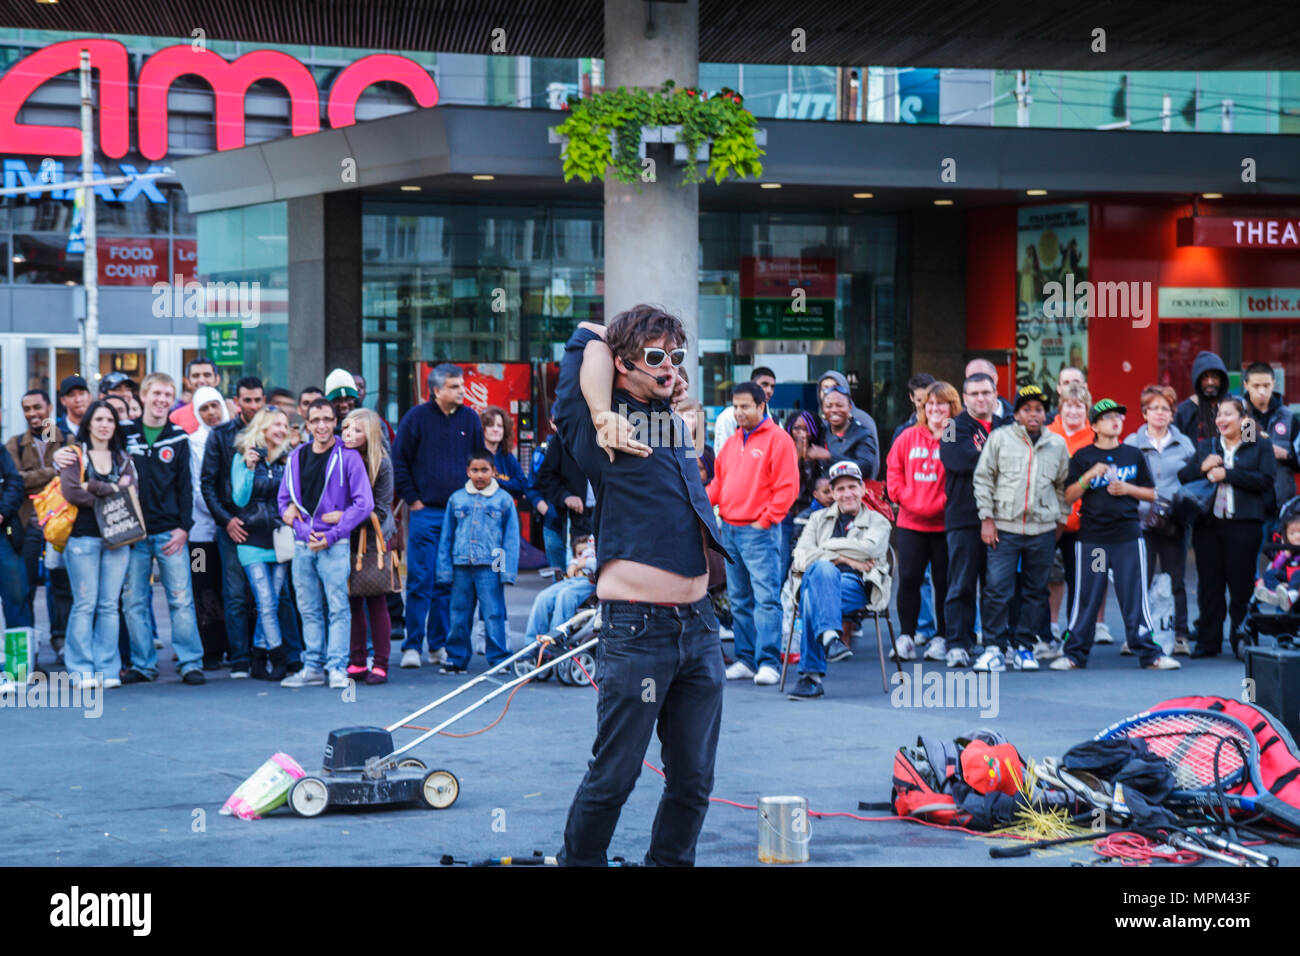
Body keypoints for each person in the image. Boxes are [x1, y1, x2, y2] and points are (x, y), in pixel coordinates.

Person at [553, 307, 730, 868]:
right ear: (623, 364)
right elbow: (587, 336)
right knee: (616, 774)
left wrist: (669, 381)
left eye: (676, 358)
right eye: (654, 358)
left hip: (699, 625)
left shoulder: (671, 417)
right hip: (637, 628)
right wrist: (603, 410)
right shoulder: (592, 425)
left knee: (694, 778)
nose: (669, 368)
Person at [1053, 399, 1178, 671]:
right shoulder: (1083, 456)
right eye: (1108, 417)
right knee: (1089, 593)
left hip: (1127, 538)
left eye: (1118, 416)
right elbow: (1068, 496)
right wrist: (1088, 477)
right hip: (1094, 540)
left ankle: (1149, 653)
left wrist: (1127, 489)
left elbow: (1152, 493)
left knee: (1133, 593)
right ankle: (1074, 654)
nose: (1115, 421)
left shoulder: (1132, 454)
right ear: (1095, 425)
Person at [971, 385, 1070, 672]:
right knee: (997, 589)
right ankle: (994, 648)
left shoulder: (1057, 445)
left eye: (1038, 409)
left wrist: (1060, 521)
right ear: (1016, 414)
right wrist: (986, 519)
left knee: (1035, 591)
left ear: (1045, 414)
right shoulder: (1000, 439)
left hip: (1042, 529)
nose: (1033, 414)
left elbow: (1063, 487)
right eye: (1026, 409)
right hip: (1004, 528)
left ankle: (1025, 647)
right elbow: (983, 479)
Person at [117, 373, 207, 685]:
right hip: (133, 535)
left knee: (181, 599)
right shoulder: (125, 433)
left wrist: (185, 528)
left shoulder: (179, 437)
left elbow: (187, 487)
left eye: (168, 395)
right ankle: (143, 665)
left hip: (171, 532)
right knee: (134, 601)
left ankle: (190, 662)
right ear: (142, 396)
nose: (162, 400)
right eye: (156, 393)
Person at [277, 398, 374, 688]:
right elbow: (283, 501)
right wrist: (302, 529)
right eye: (315, 420)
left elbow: (364, 503)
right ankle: (313, 666)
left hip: (335, 544)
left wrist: (333, 533)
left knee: (337, 607)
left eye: (327, 420)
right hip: (303, 543)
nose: (321, 426)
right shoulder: (296, 456)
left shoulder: (348, 456)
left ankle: (336, 667)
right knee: (307, 608)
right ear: (307, 424)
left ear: (335, 423)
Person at [393, 363, 485, 669]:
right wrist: (413, 501)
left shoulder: (471, 419)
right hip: (426, 512)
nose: (462, 391)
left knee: (449, 581)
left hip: (460, 512)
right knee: (421, 579)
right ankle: (411, 646)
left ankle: (439, 645)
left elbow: (479, 459)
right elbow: (399, 461)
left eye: (461, 385)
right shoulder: (416, 418)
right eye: (455, 387)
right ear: (436, 391)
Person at [708, 382, 799, 686]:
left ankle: (769, 661)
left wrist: (766, 520)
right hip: (730, 530)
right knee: (739, 598)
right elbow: (720, 485)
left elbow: (787, 488)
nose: (738, 412)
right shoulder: (732, 442)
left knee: (766, 599)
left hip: (759, 531)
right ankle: (746, 659)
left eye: (745, 406)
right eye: (734, 407)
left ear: (762, 406)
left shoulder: (779, 440)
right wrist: (698, 501)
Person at [1177, 395, 1277, 659]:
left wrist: (1227, 475)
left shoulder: (1259, 445)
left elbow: (1266, 480)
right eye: (1218, 415)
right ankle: (1208, 641)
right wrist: (1202, 467)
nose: (1221, 419)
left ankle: (1241, 640)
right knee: (1209, 586)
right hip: (1208, 526)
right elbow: (1183, 477)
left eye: (1228, 414)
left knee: (1241, 586)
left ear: (1243, 419)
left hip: (1244, 526)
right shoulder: (1208, 446)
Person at [786, 461, 893, 699]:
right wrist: (848, 558)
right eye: (841, 489)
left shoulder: (878, 521)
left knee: (814, 588)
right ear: (832, 493)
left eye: (852, 487)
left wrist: (829, 551)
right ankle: (830, 636)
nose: (847, 494)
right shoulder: (817, 519)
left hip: (857, 586)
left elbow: (871, 550)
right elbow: (801, 557)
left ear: (863, 489)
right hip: (820, 582)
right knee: (820, 575)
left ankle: (811, 678)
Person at [58, 400, 138, 689]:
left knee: (108, 605)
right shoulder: (74, 455)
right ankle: (80, 669)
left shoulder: (123, 459)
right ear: (88, 423)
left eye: (110, 420)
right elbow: (71, 493)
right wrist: (111, 492)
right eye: (99, 419)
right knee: (85, 604)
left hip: (118, 539)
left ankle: (107, 669)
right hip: (82, 537)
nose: (105, 424)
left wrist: (93, 488)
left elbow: (131, 495)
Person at [201, 376, 272, 678]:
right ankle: (240, 657)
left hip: (267, 526)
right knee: (233, 594)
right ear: (236, 402)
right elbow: (207, 484)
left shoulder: (273, 429)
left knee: (269, 595)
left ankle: (267, 652)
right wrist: (227, 521)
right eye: (247, 400)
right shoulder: (220, 435)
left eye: (258, 400)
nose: (253, 406)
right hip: (231, 525)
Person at [938, 372, 1007, 667]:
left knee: (997, 587)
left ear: (995, 395)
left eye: (986, 393)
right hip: (964, 519)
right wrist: (999, 459)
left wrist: (982, 453)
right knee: (961, 585)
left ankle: (996, 644)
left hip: (1003, 519)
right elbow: (959, 460)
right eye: (975, 394)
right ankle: (957, 643)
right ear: (964, 398)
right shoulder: (952, 427)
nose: (981, 398)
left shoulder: (1009, 425)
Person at [886, 379, 955, 661]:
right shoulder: (907, 437)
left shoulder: (955, 435)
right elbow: (894, 473)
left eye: (942, 403)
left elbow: (960, 476)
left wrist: (939, 505)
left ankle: (942, 637)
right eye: (931, 403)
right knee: (909, 579)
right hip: (911, 522)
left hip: (944, 524)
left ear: (953, 406)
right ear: (923, 406)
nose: (936, 408)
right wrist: (909, 501)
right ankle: (907, 636)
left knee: (944, 581)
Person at [1124, 385, 1196, 656]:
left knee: (1175, 579)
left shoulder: (1185, 443)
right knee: (1138, 580)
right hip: (1140, 522)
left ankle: (1179, 634)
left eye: (1165, 408)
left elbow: (1192, 481)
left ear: (1172, 413)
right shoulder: (1131, 442)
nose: (1159, 413)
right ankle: (1137, 633)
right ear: (1144, 413)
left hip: (1173, 522)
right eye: (1153, 408)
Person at [436, 449, 520, 673]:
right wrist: (444, 570)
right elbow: (446, 537)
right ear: (467, 471)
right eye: (475, 470)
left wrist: (506, 572)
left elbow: (510, 539)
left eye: (485, 470)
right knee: (459, 614)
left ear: (494, 471)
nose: (480, 475)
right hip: (461, 565)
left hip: (491, 567)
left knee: (494, 613)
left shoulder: (503, 500)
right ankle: (456, 657)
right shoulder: (456, 499)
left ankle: (499, 658)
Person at [6, 389, 73, 665]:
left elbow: (73, 476)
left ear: (49, 407)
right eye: (27, 409)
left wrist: (50, 474)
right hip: (28, 526)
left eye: (37, 407)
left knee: (62, 586)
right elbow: (16, 480)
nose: (33, 414)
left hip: (61, 527)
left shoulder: (67, 439)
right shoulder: (15, 444)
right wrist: (53, 471)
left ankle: (62, 640)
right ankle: (29, 648)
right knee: (26, 588)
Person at [230, 407, 294, 682]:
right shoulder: (241, 458)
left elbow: (294, 497)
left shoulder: (289, 459)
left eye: (285, 425)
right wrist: (248, 467)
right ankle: (278, 657)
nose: (281, 429)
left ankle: (257, 656)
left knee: (272, 600)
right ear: (263, 428)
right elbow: (240, 499)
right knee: (266, 602)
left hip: (280, 539)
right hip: (251, 540)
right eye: (276, 424)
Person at [1045, 381, 1104, 646]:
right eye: (1068, 405)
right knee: (1045, 578)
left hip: (1084, 523)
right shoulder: (1046, 434)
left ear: (1086, 409)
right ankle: (1047, 630)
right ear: (1060, 407)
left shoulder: (1097, 437)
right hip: (1049, 521)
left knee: (1081, 580)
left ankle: (1076, 634)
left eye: (1079, 406)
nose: (1073, 411)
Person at [339, 408, 396, 684]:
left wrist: (348, 518)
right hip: (341, 536)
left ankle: (381, 663)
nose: (350, 433)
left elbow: (383, 510)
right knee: (351, 601)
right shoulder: (339, 456)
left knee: (375, 598)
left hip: (371, 538)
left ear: (370, 433)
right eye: (347, 428)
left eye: (358, 429)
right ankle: (357, 660)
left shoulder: (382, 463)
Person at [187, 386, 230, 669]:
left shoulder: (234, 436)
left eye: (215, 406)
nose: (211, 413)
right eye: (204, 408)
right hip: (200, 535)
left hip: (229, 532)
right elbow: (198, 488)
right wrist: (222, 514)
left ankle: (233, 645)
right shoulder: (193, 442)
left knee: (230, 588)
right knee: (203, 588)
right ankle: (210, 648)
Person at [1242, 361, 1300, 537]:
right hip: (1249, 505)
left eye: (1266, 385)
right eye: (1256, 386)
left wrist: (1287, 455)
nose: (1262, 391)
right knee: (1249, 561)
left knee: (1283, 560)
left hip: (1281, 506)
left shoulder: (1288, 418)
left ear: (1274, 384)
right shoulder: (1242, 416)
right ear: (1246, 385)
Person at [533, 423, 594, 570]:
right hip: (578, 518)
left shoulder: (616, 431)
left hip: (611, 517)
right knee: (578, 572)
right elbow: (545, 476)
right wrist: (565, 496)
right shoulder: (564, 437)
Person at [524, 534, 596, 641]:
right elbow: (576, 562)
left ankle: (555, 639)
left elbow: (599, 562)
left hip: (592, 580)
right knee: (543, 597)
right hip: (574, 580)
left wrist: (584, 563)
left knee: (566, 595)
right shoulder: (589, 541)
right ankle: (531, 644)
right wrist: (574, 565)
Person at [783, 410, 827, 572]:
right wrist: (797, 458)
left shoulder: (820, 452)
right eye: (797, 428)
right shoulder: (783, 452)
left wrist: (808, 461)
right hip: (786, 516)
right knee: (783, 563)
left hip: (812, 515)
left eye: (806, 429)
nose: (801, 433)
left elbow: (814, 487)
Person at [816, 371, 881, 477]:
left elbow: (869, 466)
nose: (831, 391)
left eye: (835, 386)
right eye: (825, 388)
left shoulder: (863, 422)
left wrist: (829, 456)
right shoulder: (821, 426)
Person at [0, 444, 32, 637]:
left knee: (16, 596)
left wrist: (2, 512)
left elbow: (15, 483)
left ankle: (19, 664)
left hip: (4, 534)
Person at [713, 366, 776, 451]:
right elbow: (721, 455)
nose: (769, 390)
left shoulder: (775, 420)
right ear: (752, 384)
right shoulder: (728, 417)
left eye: (772, 386)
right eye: (764, 384)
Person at [1173, 350, 1229, 444]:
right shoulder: (1183, 412)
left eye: (1214, 377)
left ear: (1222, 379)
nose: (1210, 382)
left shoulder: (1240, 405)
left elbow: (1251, 439)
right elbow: (1176, 448)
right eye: (1205, 377)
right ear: (1197, 380)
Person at [480, 405, 531, 502]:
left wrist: (496, 482)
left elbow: (523, 485)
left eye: (499, 426)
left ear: (504, 430)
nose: (496, 429)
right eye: (490, 425)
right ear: (483, 429)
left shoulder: (507, 456)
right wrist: (509, 486)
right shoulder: (475, 455)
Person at [1254, 513, 1300, 610]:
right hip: (1286, 580)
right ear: (1285, 537)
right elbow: (1276, 566)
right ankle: (1275, 593)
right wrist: (1285, 555)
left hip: (1297, 582)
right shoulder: (1285, 550)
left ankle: (1290, 595)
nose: (1297, 536)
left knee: (1297, 574)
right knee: (1269, 573)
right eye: (1292, 533)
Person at [169, 357, 220, 434]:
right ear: (188, 382)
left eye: (207, 375)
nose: (201, 380)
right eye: (196, 376)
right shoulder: (176, 417)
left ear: (217, 380)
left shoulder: (233, 413)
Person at [891, 372, 936, 445]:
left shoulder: (948, 427)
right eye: (919, 400)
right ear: (911, 397)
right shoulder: (902, 431)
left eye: (928, 400)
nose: (923, 404)